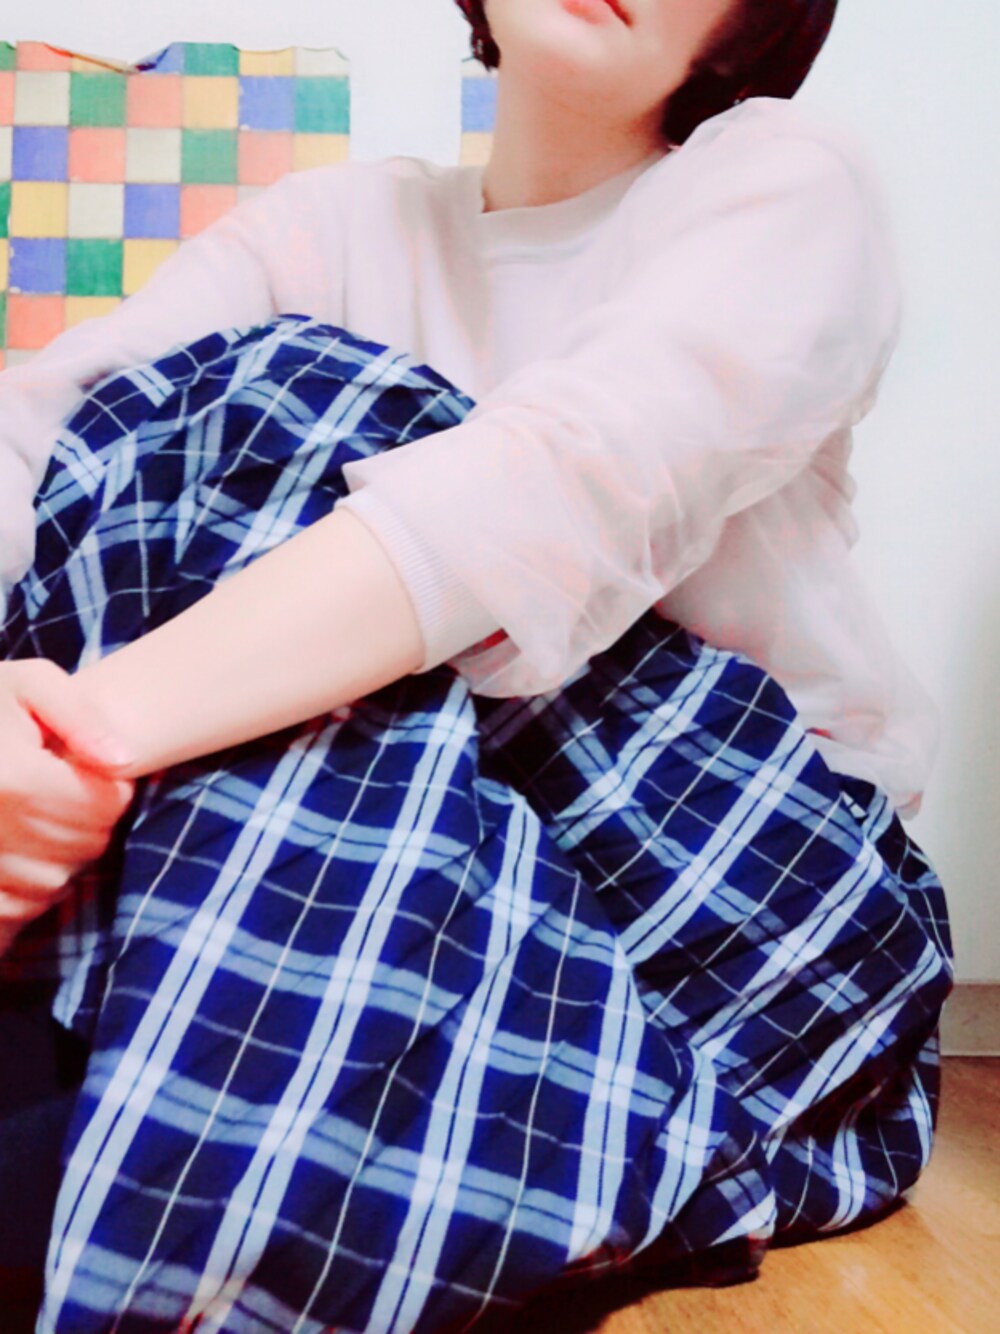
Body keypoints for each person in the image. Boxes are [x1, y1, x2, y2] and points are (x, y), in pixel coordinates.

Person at [0, 1, 954, 1330]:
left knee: (304, 402)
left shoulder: (786, 182)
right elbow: (38, 450)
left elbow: (548, 493)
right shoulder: (336, 223)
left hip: (722, 896)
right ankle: (155, 1138)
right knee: (160, 442)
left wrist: (87, 731)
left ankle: (130, 1131)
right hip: (370, 854)